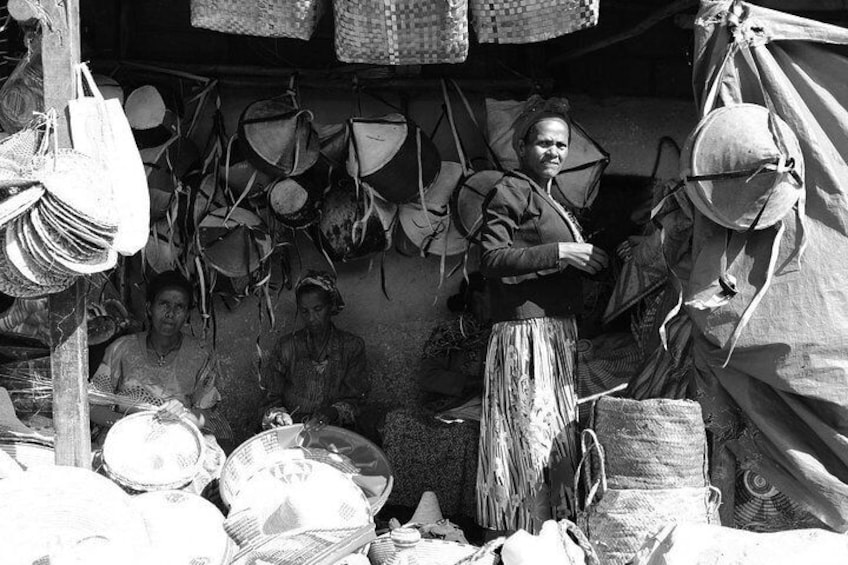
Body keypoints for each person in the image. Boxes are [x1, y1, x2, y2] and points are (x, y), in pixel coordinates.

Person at [476, 96, 610, 534]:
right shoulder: (511, 190)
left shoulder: (552, 199)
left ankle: (551, 536)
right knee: (530, 440)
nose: (553, 152)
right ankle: (526, 536)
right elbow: (492, 258)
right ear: (522, 147)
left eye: (561, 145)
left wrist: (589, 259)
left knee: (553, 437)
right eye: (544, 144)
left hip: (554, 334)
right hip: (527, 336)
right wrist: (559, 251)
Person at [90, 270, 233, 449]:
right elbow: (93, 407)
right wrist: (130, 426)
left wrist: (183, 414)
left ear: (187, 314)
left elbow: (203, 413)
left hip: (176, 439)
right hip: (125, 437)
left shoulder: (200, 354)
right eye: (164, 304)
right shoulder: (121, 349)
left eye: (179, 307)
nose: (170, 313)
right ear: (149, 307)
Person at [261, 271, 369, 432]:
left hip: (335, 429)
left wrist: (332, 413)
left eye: (318, 309)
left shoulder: (352, 347)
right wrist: (278, 416)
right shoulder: (286, 347)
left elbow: (356, 400)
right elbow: (270, 398)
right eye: (305, 311)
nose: (311, 318)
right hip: (292, 430)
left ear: (331, 306)